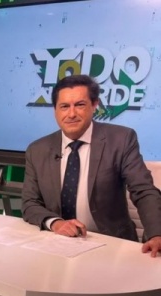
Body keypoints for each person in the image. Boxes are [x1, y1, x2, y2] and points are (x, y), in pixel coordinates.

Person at [22, 74, 161, 257]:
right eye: (64, 106)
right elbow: (30, 203)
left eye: (80, 105)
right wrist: (55, 223)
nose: (71, 114)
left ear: (94, 105)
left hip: (111, 246)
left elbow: (143, 190)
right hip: (57, 244)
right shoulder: (37, 150)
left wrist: (157, 233)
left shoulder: (121, 140)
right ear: (55, 109)